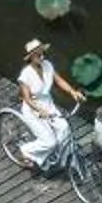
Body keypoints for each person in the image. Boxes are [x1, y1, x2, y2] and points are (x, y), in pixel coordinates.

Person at [16, 39, 86, 171]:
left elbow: (58, 80)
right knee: (49, 142)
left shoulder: (47, 65)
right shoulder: (26, 75)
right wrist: (40, 110)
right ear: (31, 57)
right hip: (33, 109)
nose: (42, 57)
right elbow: (27, 98)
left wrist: (73, 92)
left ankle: (67, 160)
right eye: (38, 55)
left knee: (65, 129)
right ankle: (26, 151)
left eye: (43, 54)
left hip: (48, 105)